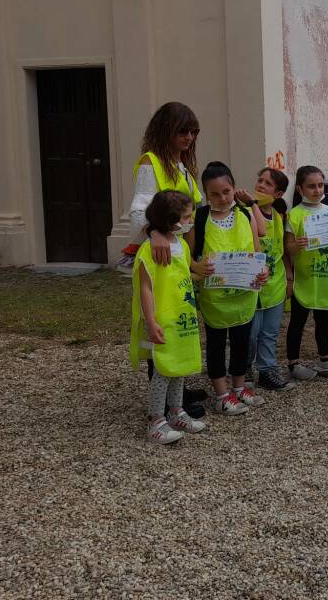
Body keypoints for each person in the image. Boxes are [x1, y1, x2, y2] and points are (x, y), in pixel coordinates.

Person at [120, 101, 206, 418]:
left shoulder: (180, 164)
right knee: (160, 318)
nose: (189, 137)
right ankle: (163, 404)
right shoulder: (151, 163)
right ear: (165, 130)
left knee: (179, 317)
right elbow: (140, 208)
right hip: (160, 254)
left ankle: (176, 388)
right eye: (183, 131)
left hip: (179, 253)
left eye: (193, 132)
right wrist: (154, 232)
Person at [191, 162, 269, 416]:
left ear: (234, 188)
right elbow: (186, 255)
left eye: (226, 191)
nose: (222, 198)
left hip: (244, 294)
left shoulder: (245, 215)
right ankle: (221, 394)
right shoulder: (199, 219)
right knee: (215, 344)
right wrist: (197, 269)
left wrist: (262, 270)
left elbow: (257, 250)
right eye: (214, 194)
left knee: (241, 343)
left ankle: (238, 387)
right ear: (205, 194)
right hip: (215, 298)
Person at [129, 190, 205, 445]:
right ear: (171, 219)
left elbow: (183, 275)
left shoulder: (181, 245)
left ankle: (176, 411)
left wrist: (205, 273)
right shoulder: (148, 250)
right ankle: (155, 421)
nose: (190, 220)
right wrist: (151, 322)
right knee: (162, 371)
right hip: (163, 319)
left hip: (183, 318)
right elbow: (146, 287)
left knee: (180, 367)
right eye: (186, 216)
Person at [284, 165, 328, 379]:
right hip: (303, 277)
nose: (317, 190)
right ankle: (293, 363)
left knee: (323, 319)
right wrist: (297, 245)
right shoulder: (295, 215)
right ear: (300, 189)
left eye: (320, 185)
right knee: (298, 320)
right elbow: (287, 248)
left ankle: (325, 359)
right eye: (311, 186)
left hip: (324, 275)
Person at [246, 167, 294, 392]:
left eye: (267, 183)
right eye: (259, 180)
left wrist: (289, 276)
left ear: (278, 193)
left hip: (275, 285)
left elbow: (281, 250)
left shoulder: (278, 216)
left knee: (270, 332)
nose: (260, 185)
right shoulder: (245, 213)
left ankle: (267, 370)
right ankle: (243, 369)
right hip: (252, 286)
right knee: (251, 333)